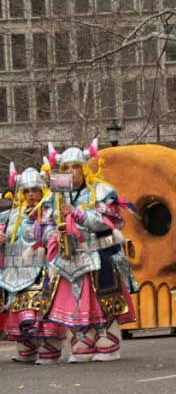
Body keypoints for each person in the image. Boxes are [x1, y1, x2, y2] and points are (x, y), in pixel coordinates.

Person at [45, 140, 137, 363]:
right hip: (68, 259)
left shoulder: (101, 191)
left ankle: (107, 344)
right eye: (66, 168)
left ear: (84, 168)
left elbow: (112, 220)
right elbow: (45, 224)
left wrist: (77, 214)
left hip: (98, 255)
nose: (70, 172)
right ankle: (81, 344)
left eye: (75, 167)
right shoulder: (55, 196)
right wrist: (52, 234)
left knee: (100, 300)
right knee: (74, 302)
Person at [0, 164, 64, 364]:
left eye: (34, 190)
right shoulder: (10, 215)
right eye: (26, 191)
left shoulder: (48, 213)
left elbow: (51, 235)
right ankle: (27, 349)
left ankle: (49, 349)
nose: (30, 195)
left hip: (40, 270)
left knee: (38, 309)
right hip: (14, 271)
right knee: (16, 308)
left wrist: (48, 232)